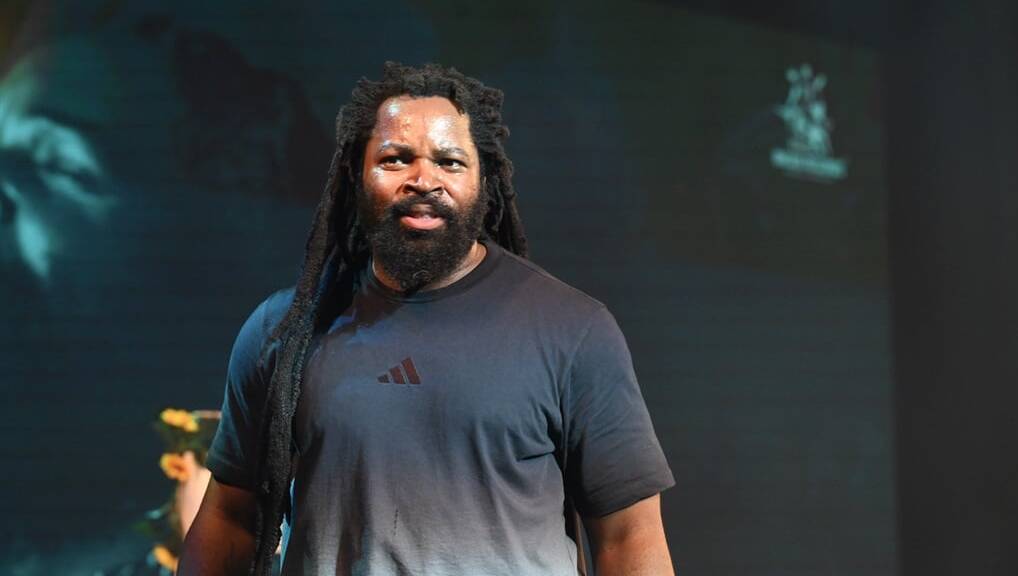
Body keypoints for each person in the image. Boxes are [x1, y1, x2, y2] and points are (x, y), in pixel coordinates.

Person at [179, 62, 675, 576]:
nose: (423, 180)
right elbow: (230, 519)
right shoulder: (284, 332)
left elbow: (628, 537)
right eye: (395, 159)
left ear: (484, 181)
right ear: (355, 175)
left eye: (449, 162)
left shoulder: (574, 330)